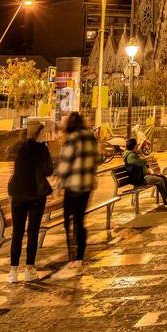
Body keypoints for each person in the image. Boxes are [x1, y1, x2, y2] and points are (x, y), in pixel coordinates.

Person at [6, 120, 54, 283]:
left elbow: (8, 154)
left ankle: (13, 271)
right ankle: (29, 269)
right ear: (39, 134)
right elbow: (49, 171)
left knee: (17, 233)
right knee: (32, 231)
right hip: (35, 194)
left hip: (18, 193)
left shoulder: (18, 147)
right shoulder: (42, 149)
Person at [55, 111, 98, 272]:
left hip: (72, 186)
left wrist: (58, 185)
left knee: (69, 222)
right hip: (87, 185)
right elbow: (97, 159)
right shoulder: (91, 137)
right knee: (80, 221)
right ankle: (80, 257)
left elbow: (64, 165)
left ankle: (71, 257)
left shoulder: (72, 139)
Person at [124, 138, 167, 204]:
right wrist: (142, 157)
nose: (138, 147)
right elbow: (141, 162)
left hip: (143, 176)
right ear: (134, 146)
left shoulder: (133, 154)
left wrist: (141, 156)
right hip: (140, 179)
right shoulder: (130, 156)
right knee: (159, 180)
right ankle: (166, 199)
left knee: (163, 177)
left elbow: (143, 163)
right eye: (137, 145)